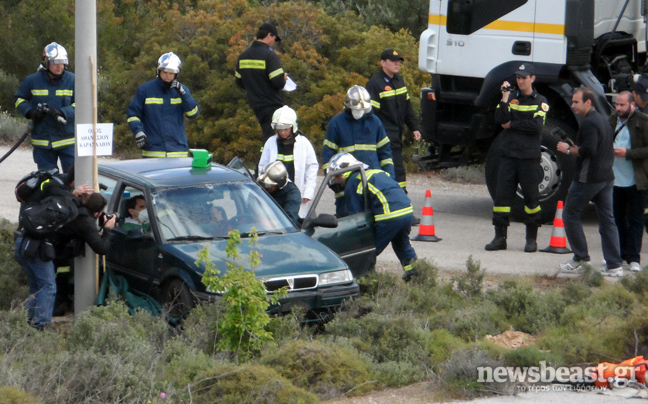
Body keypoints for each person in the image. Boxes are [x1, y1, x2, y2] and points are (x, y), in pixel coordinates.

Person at [557, 87, 623, 276]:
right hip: (606, 178)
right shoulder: (603, 118)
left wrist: (568, 150)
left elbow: (588, 150)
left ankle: (580, 258)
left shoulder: (588, 123)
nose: (573, 105)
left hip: (589, 178)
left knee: (570, 214)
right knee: (608, 220)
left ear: (588, 102)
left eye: (576, 102)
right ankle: (615, 265)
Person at [485, 63, 548, 253]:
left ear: (532, 78)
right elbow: (500, 119)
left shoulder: (540, 101)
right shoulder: (510, 98)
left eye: (524, 77)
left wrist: (512, 123)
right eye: (518, 77)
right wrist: (504, 98)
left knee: (531, 200)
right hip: (509, 157)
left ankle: (531, 239)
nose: (520, 81)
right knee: (502, 199)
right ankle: (500, 238)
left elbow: (536, 127)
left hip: (528, 158)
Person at [327, 152, 418, 281]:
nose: (337, 180)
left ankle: (368, 282)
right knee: (402, 243)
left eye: (337, 176)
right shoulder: (376, 172)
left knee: (368, 251)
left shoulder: (354, 181)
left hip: (389, 217)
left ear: (345, 171)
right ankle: (416, 275)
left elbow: (356, 217)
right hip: (407, 212)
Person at [365, 49, 421, 192]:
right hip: (383, 137)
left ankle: (399, 197)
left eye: (398, 61)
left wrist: (414, 127)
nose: (397, 64)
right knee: (392, 169)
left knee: (397, 169)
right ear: (383, 63)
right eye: (393, 61)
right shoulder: (375, 84)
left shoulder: (399, 80)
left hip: (397, 134)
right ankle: (397, 197)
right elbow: (371, 115)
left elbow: (407, 107)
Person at [14, 42, 75, 173]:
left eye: (62, 62)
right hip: (43, 140)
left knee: (73, 180)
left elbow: (82, 104)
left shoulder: (73, 81)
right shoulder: (32, 81)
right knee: (48, 182)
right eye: (55, 62)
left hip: (67, 140)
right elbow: (19, 99)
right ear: (47, 62)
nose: (59, 66)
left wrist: (63, 113)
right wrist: (30, 112)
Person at [127, 52, 200, 158]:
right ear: (159, 71)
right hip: (153, 151)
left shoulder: (182, 91)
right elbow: (133, 115)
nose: (168, 75)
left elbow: (193, 114)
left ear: (176, 74)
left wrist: (184, 95)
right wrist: (138, 132)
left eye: (171, 72)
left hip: (178, 151)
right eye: (165, 71)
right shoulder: (145, 90)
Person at [609, 91, 648, 272]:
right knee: (617, 219)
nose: (618, 108)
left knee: (636, 220)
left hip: (636, 180)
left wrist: (628, 153)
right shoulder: (612, 120)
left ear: (632, 105)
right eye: (617, 104)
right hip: (615, 180)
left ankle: (634, 258)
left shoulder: (643, 121)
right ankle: (621, 254)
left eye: (622, 105)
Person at [322, 85, 395, 178]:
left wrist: (389, 177)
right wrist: (333, 181)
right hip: (347, 183)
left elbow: (385, 153)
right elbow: (328, 155)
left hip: (374, 180)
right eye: (357, 109)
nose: (360, 112)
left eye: (363, 109)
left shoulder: (375, 122)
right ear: (348, 107)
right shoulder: (336, 123)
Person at [259, 106, 318, 218]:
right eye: (279, 129)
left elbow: (312, 168)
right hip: (276, 193)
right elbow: (263, 167)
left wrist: (308, 192)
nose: (282, 132)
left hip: (296, 192)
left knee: (294, 219)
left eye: (285, 129)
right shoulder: (270, 143)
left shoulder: (303, 143)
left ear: (293, 127)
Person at [235, 22, 286, 144]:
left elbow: (239, 81)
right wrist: (284, 78)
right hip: (272, 104)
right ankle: (266, 161)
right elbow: (278, 82)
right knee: (274, 138)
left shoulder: (243, 56)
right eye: (274, 38)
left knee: (267, 134)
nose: (274, 42)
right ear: (269, 35)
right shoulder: (270, 56)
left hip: (256, 104)